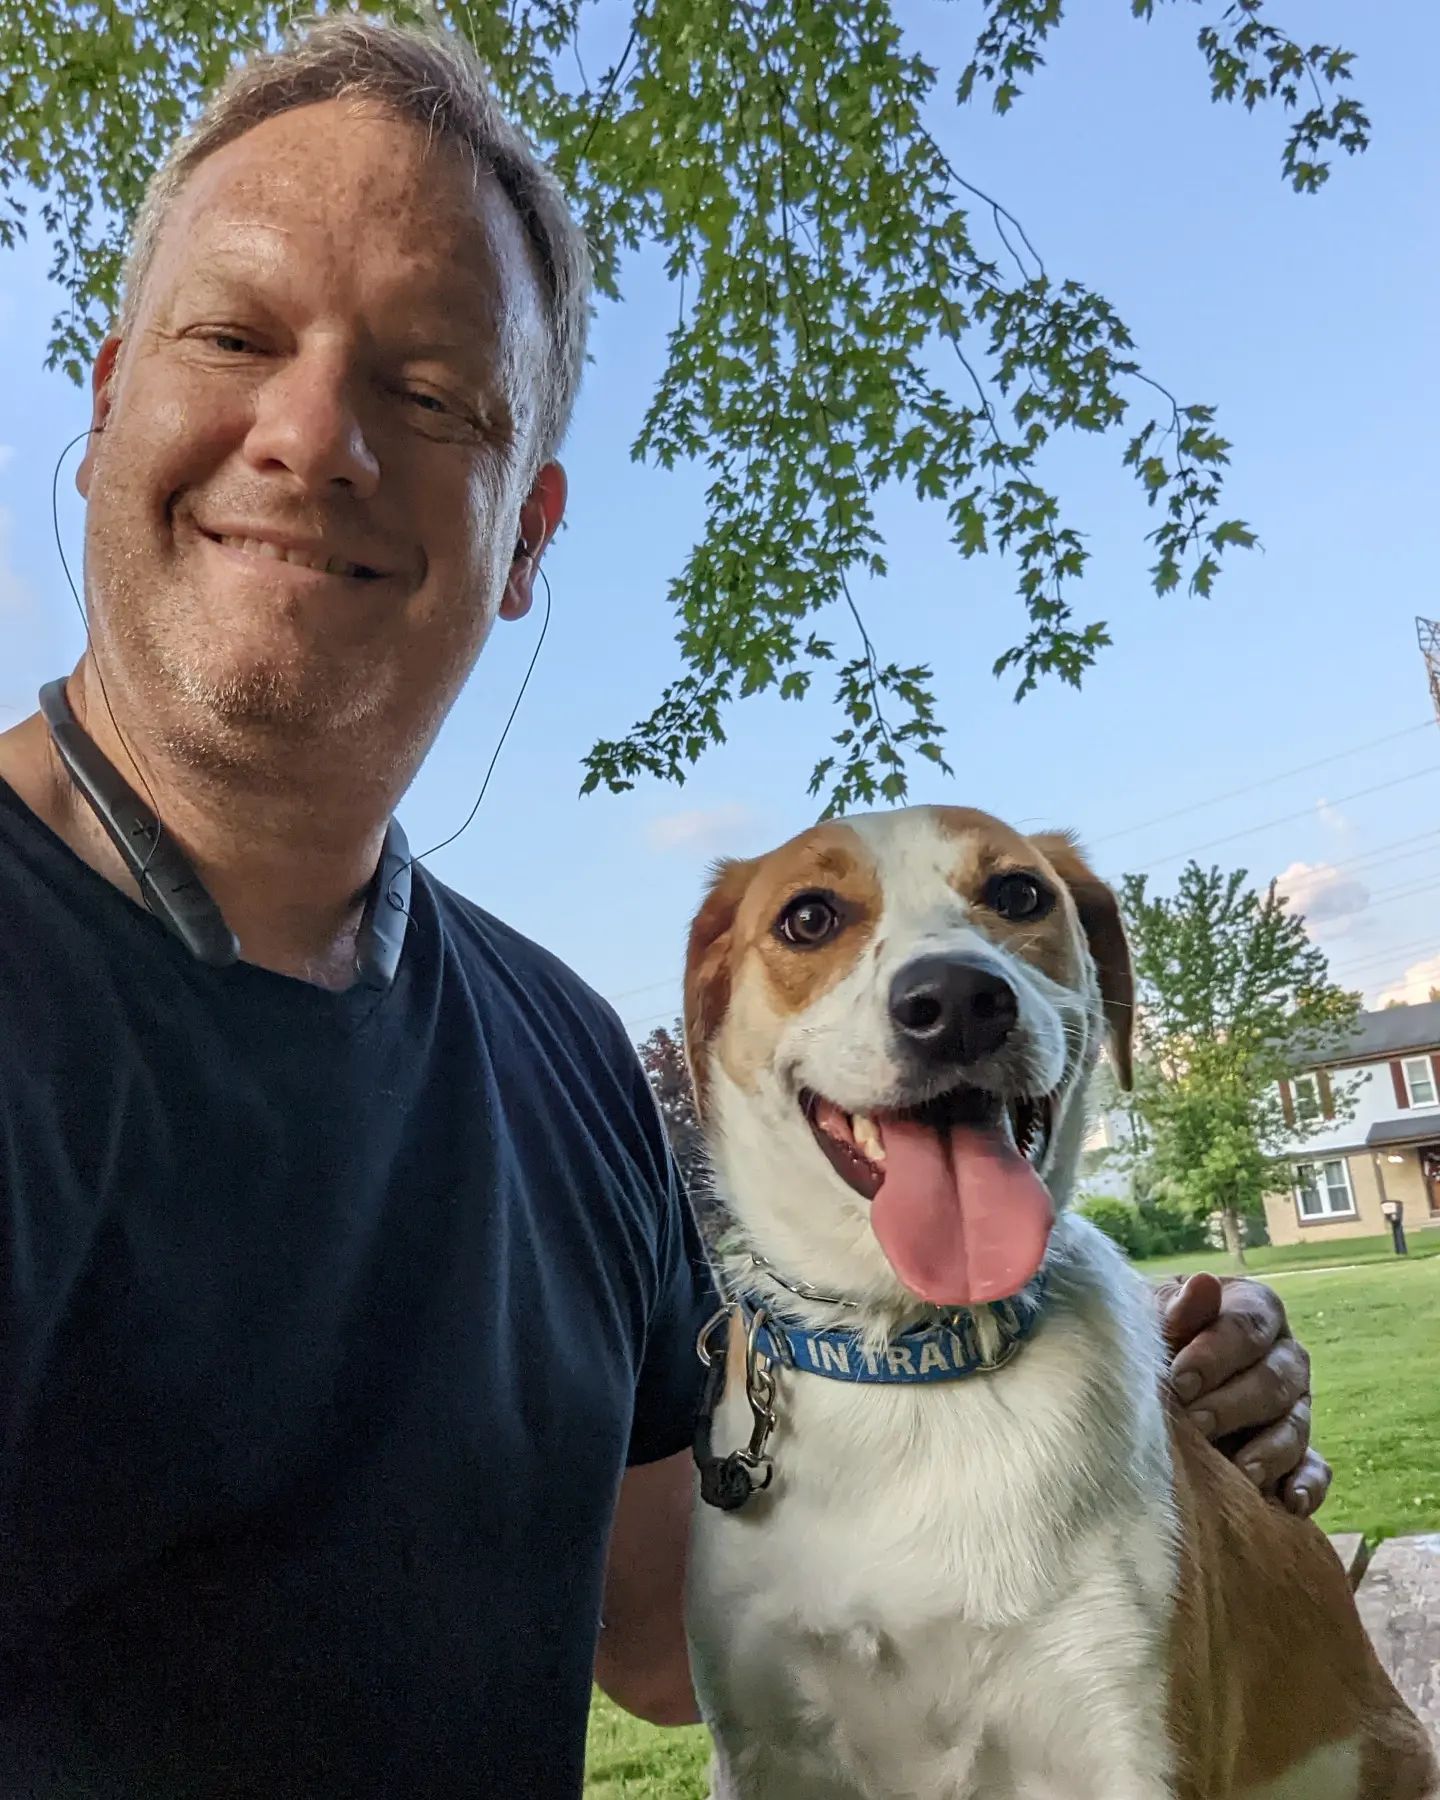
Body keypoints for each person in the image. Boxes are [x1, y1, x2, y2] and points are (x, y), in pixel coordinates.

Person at [0, 16, 1329, 1798]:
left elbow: (658, 1636)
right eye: (235, 336)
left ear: (529, 530)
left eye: (428, 391)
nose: (313, 438)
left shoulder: (556, 1055)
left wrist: (1113, 1451)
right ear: (105, 408)